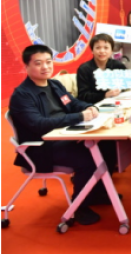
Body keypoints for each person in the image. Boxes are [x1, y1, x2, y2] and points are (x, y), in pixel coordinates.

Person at [9, 45, 115, 225]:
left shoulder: (54, 85)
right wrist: (79, 117)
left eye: (48, 62)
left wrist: (89, 108)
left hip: (64, 136)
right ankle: (79, 206)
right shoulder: (22, 95)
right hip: (41, 148)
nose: (45, 67)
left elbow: (73, 103)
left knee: (107, 144)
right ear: (26, 66)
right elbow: (39, 124)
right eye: (38, 63)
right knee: (88, 156)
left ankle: (97, 192)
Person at [77, 33, 127, 104]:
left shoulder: (119, 66)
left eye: (106, 48)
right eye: (98, 48)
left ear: (111, 50)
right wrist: (105, 95)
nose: (102, 51)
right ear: (92, 50)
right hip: (93, 105)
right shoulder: (84, 69)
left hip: (117, 102)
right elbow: (83, 95)